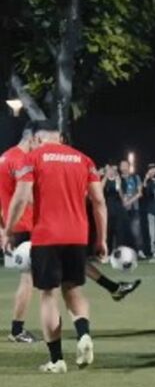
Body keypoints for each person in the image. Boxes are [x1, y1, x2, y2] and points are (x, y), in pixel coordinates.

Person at [2, 120, 108, 373]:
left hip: (46, 235)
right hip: (77, 236)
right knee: (73, 291)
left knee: (49, 295)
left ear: (37, 139)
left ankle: (56, 360)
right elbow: (99, 201)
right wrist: (101, 238)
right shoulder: (84, 159)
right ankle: (83, 334)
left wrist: (7, 230)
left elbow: (21, 196)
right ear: (60, 138)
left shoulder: (33, 158)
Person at [1, 123, 38, 343]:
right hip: (27, 227)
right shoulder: (22, 161)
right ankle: (17, 330)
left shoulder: (4, 158)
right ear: (31, 138)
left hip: (15, 228)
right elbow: (29, 197)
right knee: (29, 279)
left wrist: (3, 230)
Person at [119, 160, 146, 259]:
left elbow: (140, 193)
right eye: (122, 165)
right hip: (122, 209)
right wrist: (123, 201)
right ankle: (122, 253)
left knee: (136, 231)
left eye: (125, 165)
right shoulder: (118, 178)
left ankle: (140, 251)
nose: (124, 167)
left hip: (134, 208)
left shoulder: (135, 177)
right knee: (121, 231)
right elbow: (119, 192)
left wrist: (129, 202)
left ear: (129, 167)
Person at [102, 165, 126, 250]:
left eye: (112, 170)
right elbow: (100, 190)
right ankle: (107, 252)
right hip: (108, 208)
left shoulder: (119, 180)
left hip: (117, 207)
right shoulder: (105, 180)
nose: (111, 172)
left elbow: (122, 196)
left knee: (119, 230)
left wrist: (118, 183)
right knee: (108, 231)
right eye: (109, 170)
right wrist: (105, 177)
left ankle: (120, 251)